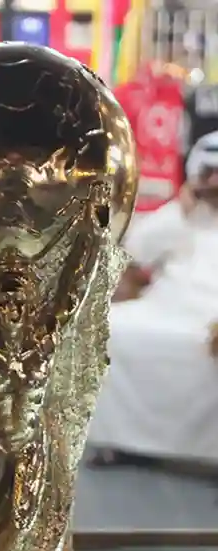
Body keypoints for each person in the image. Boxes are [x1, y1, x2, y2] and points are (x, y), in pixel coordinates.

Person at [88, 130, 218, 466]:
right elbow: (136, 250)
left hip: (211, 318)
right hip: (165, 306)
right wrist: (182, 208)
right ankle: (122, 444)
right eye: (210, 173)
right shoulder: (183, 215)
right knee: (108, 328)